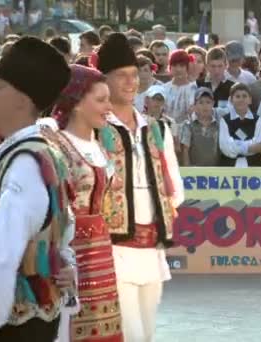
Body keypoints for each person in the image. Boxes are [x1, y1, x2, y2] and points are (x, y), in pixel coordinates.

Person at [0, 36, 75, 341]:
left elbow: (1, 256)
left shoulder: (24, 162)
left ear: (22, 100)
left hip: (10, 325)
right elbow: (64, 229)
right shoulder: (38, 151)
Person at [93, 33, 184, 342]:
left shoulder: (156, 128)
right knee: (129, 333)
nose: (130, 82)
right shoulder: (94, 129)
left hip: (151, 245)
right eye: (121, 76)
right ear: (103, 81)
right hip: (112, 247)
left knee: (145, 333)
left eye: (134, 75)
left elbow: (174, 183)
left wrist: (164, 208)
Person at [48, 65, 123, 342]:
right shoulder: (54, 144)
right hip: (69, 249)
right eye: (101, 100)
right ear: (77, 103)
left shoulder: (99, 143)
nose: (108, 108)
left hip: (100, 249)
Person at [219, 82, 261, 167]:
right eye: (237, 96)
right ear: (231, 100)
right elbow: (225, 147)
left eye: (244, 96)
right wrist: (249, 146)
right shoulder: (225, 120)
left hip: (254, 166)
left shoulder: (257, 119)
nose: (241, 99)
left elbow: (260, 145)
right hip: (230, 166)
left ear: (250, 100)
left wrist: (235, 144)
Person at [180, 87, 220, 166]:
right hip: (195, 173)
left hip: (216, 171)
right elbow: (185, 150)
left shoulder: (218, 125)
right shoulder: (188, 125)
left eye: (208, 102)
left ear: (213, 104)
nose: (205, 106)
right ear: (195, 105)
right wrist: (187, 171)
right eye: (201, 102)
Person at [162, 49, 196, 133]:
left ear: (187, 67)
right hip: (166, 130)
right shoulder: (164, 88)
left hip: (187, 132)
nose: (178, 69)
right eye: (175, 65)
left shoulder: (193, 89)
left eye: (182, 66)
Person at [197, 47, 235, 112]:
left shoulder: (232, 87)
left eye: (220, 66)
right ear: (206, 66)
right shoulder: (198, 84)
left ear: (226, 66)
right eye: (213, 66)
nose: (216, 70)